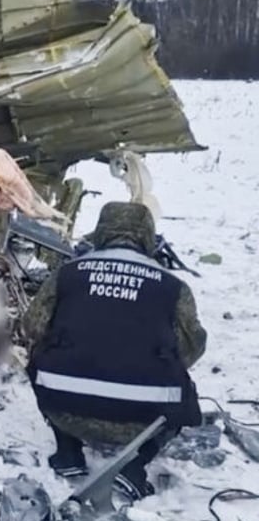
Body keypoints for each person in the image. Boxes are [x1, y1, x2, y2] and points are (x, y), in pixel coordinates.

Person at [23, 201, 207, 500]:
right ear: (147, 235)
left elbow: (32, 327)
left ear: (101, 232)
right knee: (183, 388)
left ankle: (68, 451)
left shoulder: (68, 274)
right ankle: (135, 467)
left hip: (63, 407)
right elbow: (191, 349)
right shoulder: (173, 287)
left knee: (38, 360)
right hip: (143, 419)